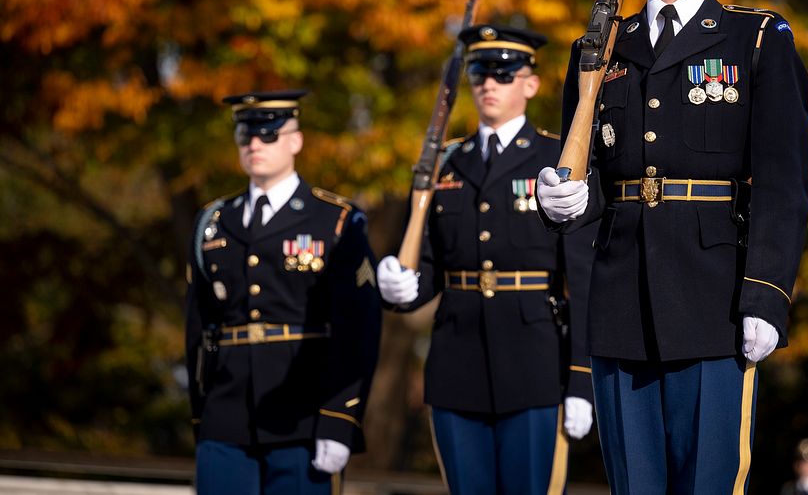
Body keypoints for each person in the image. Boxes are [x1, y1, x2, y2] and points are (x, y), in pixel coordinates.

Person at [536, 0, 808, 494]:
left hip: (714, 303)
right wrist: (559, 199)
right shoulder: (601, 50)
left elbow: (782, 181)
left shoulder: (756, 40)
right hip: (620, 304)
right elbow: (587, 180)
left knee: (708, 484)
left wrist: (767, 293)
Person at [376, 25, 597, 495]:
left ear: (530, 84)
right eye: (480, 73)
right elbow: (432, 265)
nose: (490, 84)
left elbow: (581, 277)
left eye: (504, 73)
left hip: (535, 366)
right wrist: (403, 288)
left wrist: (581, 379)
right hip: (457, 366)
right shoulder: (447, 162)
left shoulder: (557, 159)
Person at [184, 90, 381, 495]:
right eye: (245, 134)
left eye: (269, 135)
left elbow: (359, 328)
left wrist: (339, 418)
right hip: (227, 414)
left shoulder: (336, 219)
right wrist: (201, 416)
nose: (255, 143)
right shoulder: (213, 222)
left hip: (304, 412)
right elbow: (198, 328)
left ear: (295, 141)